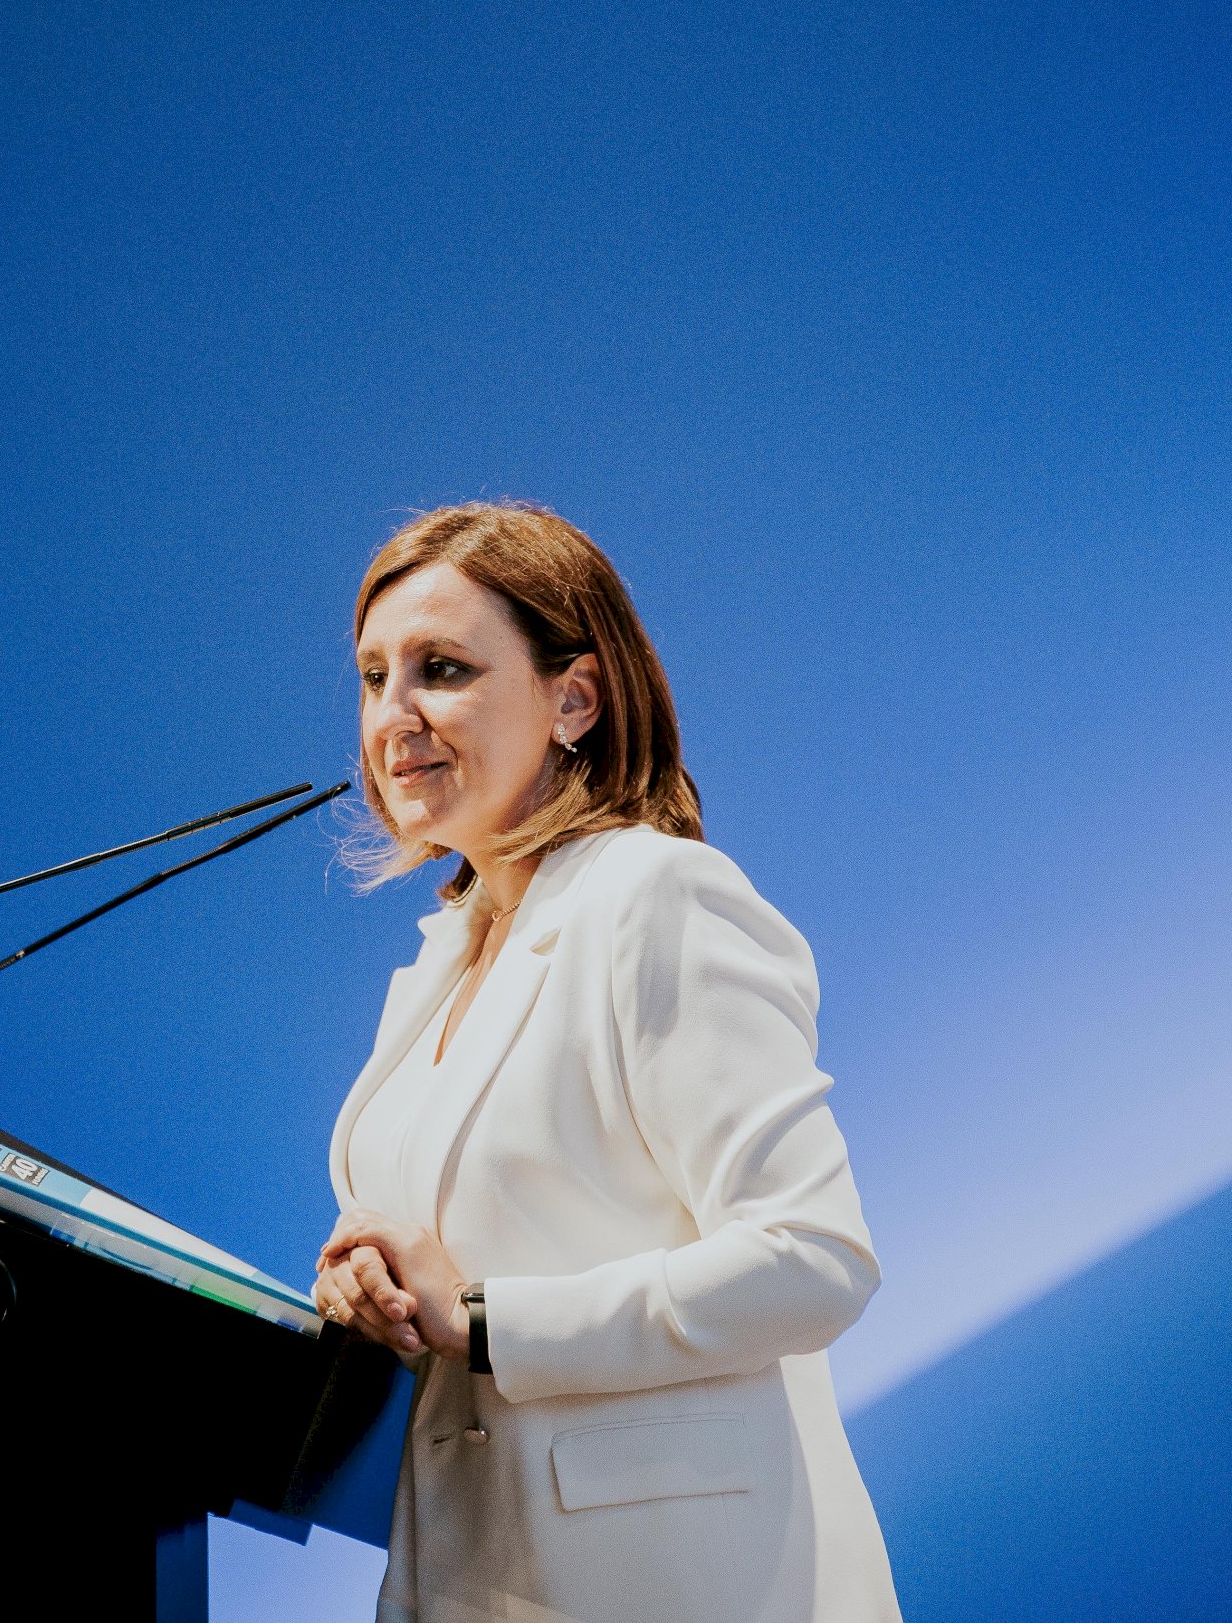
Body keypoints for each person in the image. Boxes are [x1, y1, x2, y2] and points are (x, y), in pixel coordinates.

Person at [315, 503, 903, 1623]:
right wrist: (371, 1290)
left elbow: (814, 1256)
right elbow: (443, 1277)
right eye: (372, 675)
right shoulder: (443, 957)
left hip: (666, 1580)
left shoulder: (654, 899)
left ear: (572, 698)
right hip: (465, 1567)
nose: (393, 716)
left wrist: (484, 1316)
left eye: (440, 668)